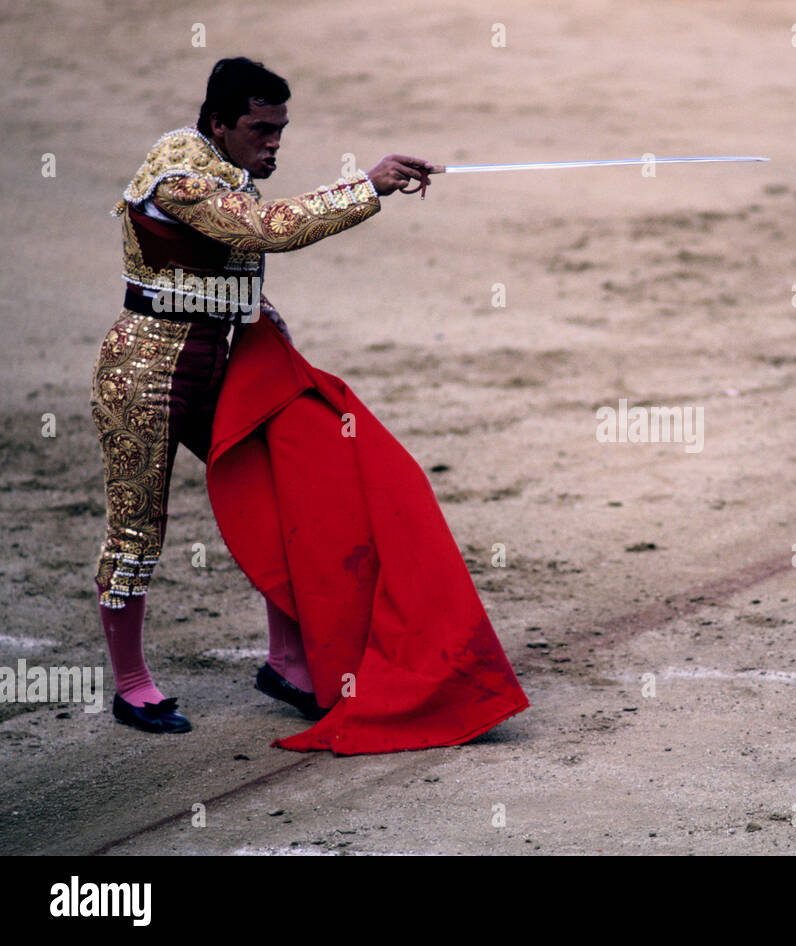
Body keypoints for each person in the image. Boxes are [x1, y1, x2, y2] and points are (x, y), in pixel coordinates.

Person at [94, 58, 529, 753]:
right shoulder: (178, 176)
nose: (273, 145)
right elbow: (265, 232)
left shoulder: (224, 168)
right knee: (138, 527)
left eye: (280, 131)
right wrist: (368, 186)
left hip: (224, 366)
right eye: (261, 131)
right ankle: (130, 684)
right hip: (146, 370)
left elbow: (237, 266)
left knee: (287, 498)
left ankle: (288, 663)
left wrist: (276, 337)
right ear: (219, 125)